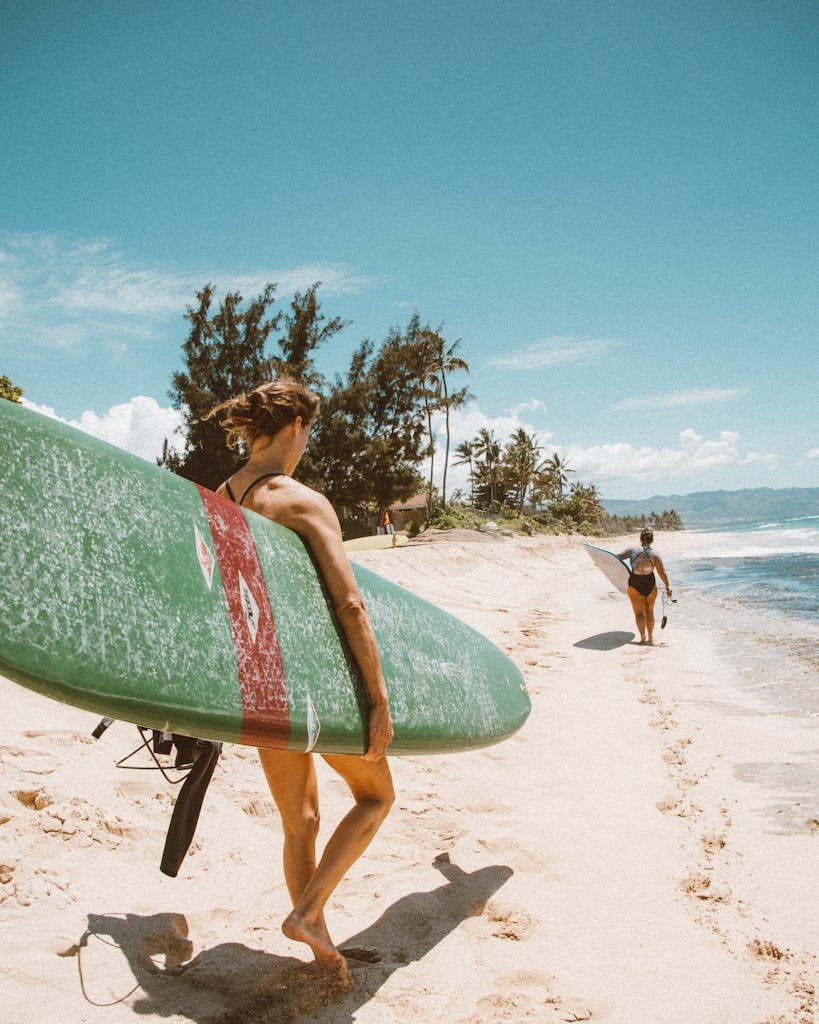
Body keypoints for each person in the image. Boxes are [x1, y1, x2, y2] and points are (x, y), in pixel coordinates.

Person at [206, 378, 395, 966]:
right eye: (309, 430)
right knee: (375, 796)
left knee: (301, 822)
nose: (307, 441)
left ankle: (321, 950)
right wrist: (377, 696)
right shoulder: (300, 500)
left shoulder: (222, 495)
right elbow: (350, 604)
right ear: (294, 427)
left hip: (255, 679)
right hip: (309, 682)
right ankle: (308, 914)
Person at [617, 528, 672, 646]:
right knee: (650, 611)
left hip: (635, 584)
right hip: (650, 585)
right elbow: (661, 572)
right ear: (652, 540)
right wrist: (667, 587)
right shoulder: (655, 554)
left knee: (639, 613)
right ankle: (651, 637)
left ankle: (642, 637)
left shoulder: (632, 550)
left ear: (641, 539)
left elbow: (616, 559)